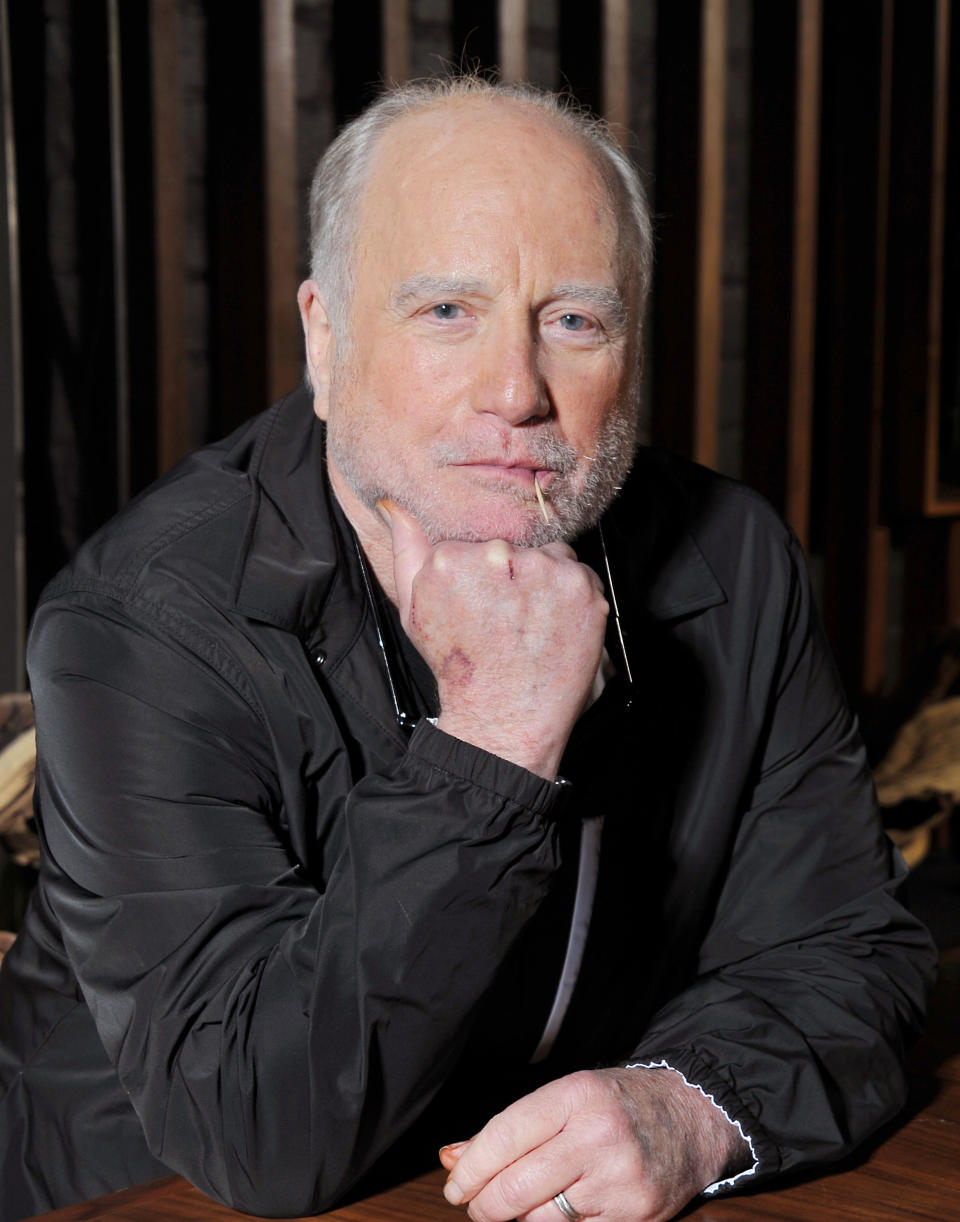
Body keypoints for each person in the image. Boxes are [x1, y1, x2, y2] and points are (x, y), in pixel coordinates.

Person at [0, 76, 936, 1222]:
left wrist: (688, 1107)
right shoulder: (141, 621)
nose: (516, 390)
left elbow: (853, 955)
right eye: (447, 310)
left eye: (575, 320)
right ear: (325, 336)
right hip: (141, 1199)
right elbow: (256, 1131)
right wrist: (493, 743)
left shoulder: (732, 563)